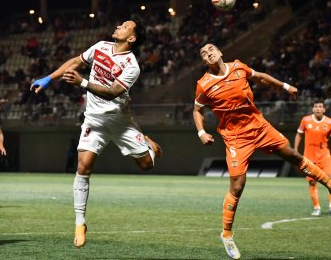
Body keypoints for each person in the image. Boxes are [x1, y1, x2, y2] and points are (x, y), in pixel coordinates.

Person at [31, 16, 162, 248]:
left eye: (125, 26)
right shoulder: (100, 46)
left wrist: (82, 83)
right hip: (94, 119)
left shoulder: (132, 66)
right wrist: (49, 79)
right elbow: (76, 61)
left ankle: (148, 141)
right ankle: (80, 223)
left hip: (120, 121)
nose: (119, 26)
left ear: (131, 38)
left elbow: (112, 92)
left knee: (147, 165)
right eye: (120, 23)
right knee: (83, 167)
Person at [193, 44, 331, 260]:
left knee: (293, 156)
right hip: (235, 136)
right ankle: (226, 234)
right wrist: (201, 131)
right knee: (237, 186)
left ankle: (329, 184)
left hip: (259, 126)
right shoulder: (203, 84)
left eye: (211, 49)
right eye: (203, 53)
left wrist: (285, 86)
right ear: (204, 62)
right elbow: (197, 110)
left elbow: (261, 77)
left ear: (220, 53)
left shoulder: (238, 67)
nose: (208, 52)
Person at [294, 100, 331, 216]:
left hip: (325, 156)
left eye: (320, 107)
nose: (318, 109)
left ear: (324, 109)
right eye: (316, 107)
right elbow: (299, 134)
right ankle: (316, 207)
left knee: (329, 180)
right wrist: (295, 150)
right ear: (313, 109)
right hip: (309, 157)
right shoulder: (306, 120)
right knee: (312, 183)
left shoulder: (329, 122)